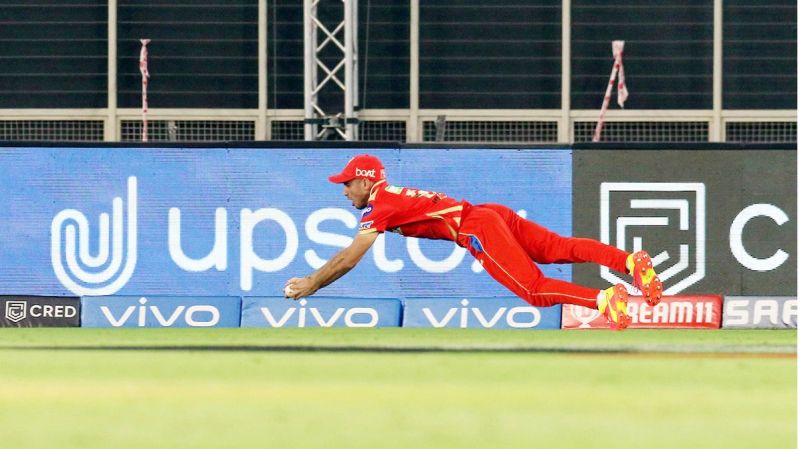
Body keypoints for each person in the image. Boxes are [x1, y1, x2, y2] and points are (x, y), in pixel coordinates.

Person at [284, 154, 663, 330]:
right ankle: (631, 262)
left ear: (366, 181)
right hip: (486, 213)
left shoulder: (379, 204)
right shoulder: (387, 195)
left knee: (533, 290)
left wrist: (311, 283)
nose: (344, 190)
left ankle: (604, 299)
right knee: (556, 248)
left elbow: (350, 259)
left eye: (347, 183)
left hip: (477, 227)